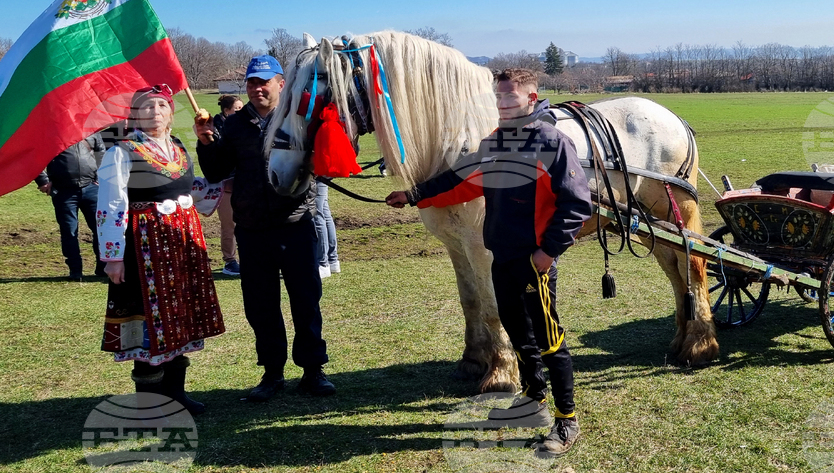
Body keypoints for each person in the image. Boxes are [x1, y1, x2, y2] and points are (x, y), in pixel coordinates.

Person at [386, 68, 592, 457]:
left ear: (531, 98)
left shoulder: (551, 142)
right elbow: (459, 178)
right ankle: (533, 402)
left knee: (550, 341)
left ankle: (567, 422)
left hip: (534, 262)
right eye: (498, 98)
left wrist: (547, 253)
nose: (502, 105)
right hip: (501, 257)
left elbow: (577, 204)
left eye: (510, 98)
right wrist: (413, 195)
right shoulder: (496, 141)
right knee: (519, 337)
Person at [195, 55, 335, 402]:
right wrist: (206, 142)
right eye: (252, 83)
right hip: (253, 229)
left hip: (295, 225)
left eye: (264, 82)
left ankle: (313, 371)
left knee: (306, 300)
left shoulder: (296, 119)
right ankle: (272, 373)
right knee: (261, 306)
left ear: (280, 84)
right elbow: (215, 172)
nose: (258, 88)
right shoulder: (234, 125)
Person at [97, 85, 225, 416]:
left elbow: (194, 188)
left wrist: (225, 180)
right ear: (134, 114)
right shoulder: (121, 151)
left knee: (177, 317)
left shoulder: (179, 147)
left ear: (171, 112)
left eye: (161, 105)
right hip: (144, 246)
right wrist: (112, 256)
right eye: (146, 106)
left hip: (181, 244)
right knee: (148, 325)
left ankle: (176, 396)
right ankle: (150, 405)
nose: (155, 110)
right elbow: (112, 203)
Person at [35, 133, 106, 280]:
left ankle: (103, 267)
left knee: (101, 229)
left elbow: (101, 154)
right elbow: (35, 156)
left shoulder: (91, 130)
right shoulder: (50, 133)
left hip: (92, 189)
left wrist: (100, 178)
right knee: (69, 232)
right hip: (64, 191)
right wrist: (43, 180)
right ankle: (75, 271)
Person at [214, 94, 244, 277]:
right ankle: (230, 261)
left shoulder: (241, 126)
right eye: (237, 109)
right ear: (227, 111)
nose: (241, 112)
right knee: (229, 224)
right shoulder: (217, 130)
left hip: (242, 182)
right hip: (226, 184)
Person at [314, 182, 340, 278]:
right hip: (322, 172)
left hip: (315, 172)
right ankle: (332, 260)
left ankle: (323, 263)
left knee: (316, 214)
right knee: (323, 211)